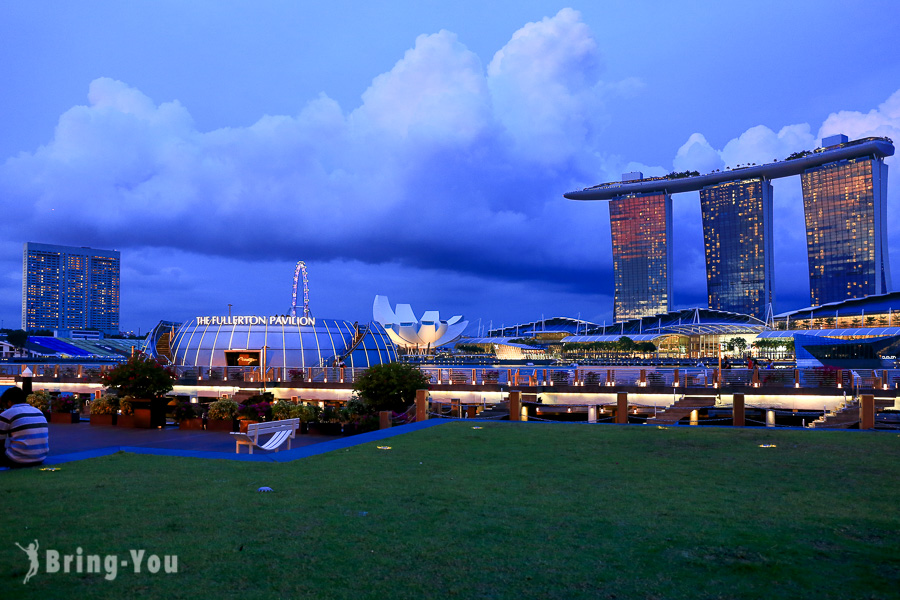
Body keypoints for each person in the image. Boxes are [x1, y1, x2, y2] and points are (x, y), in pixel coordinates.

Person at [0, 387, 49, 468]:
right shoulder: (38, 411)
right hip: (40, 457)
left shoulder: (7, 414)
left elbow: (0, 443)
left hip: (18, 459)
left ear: (9, 402)